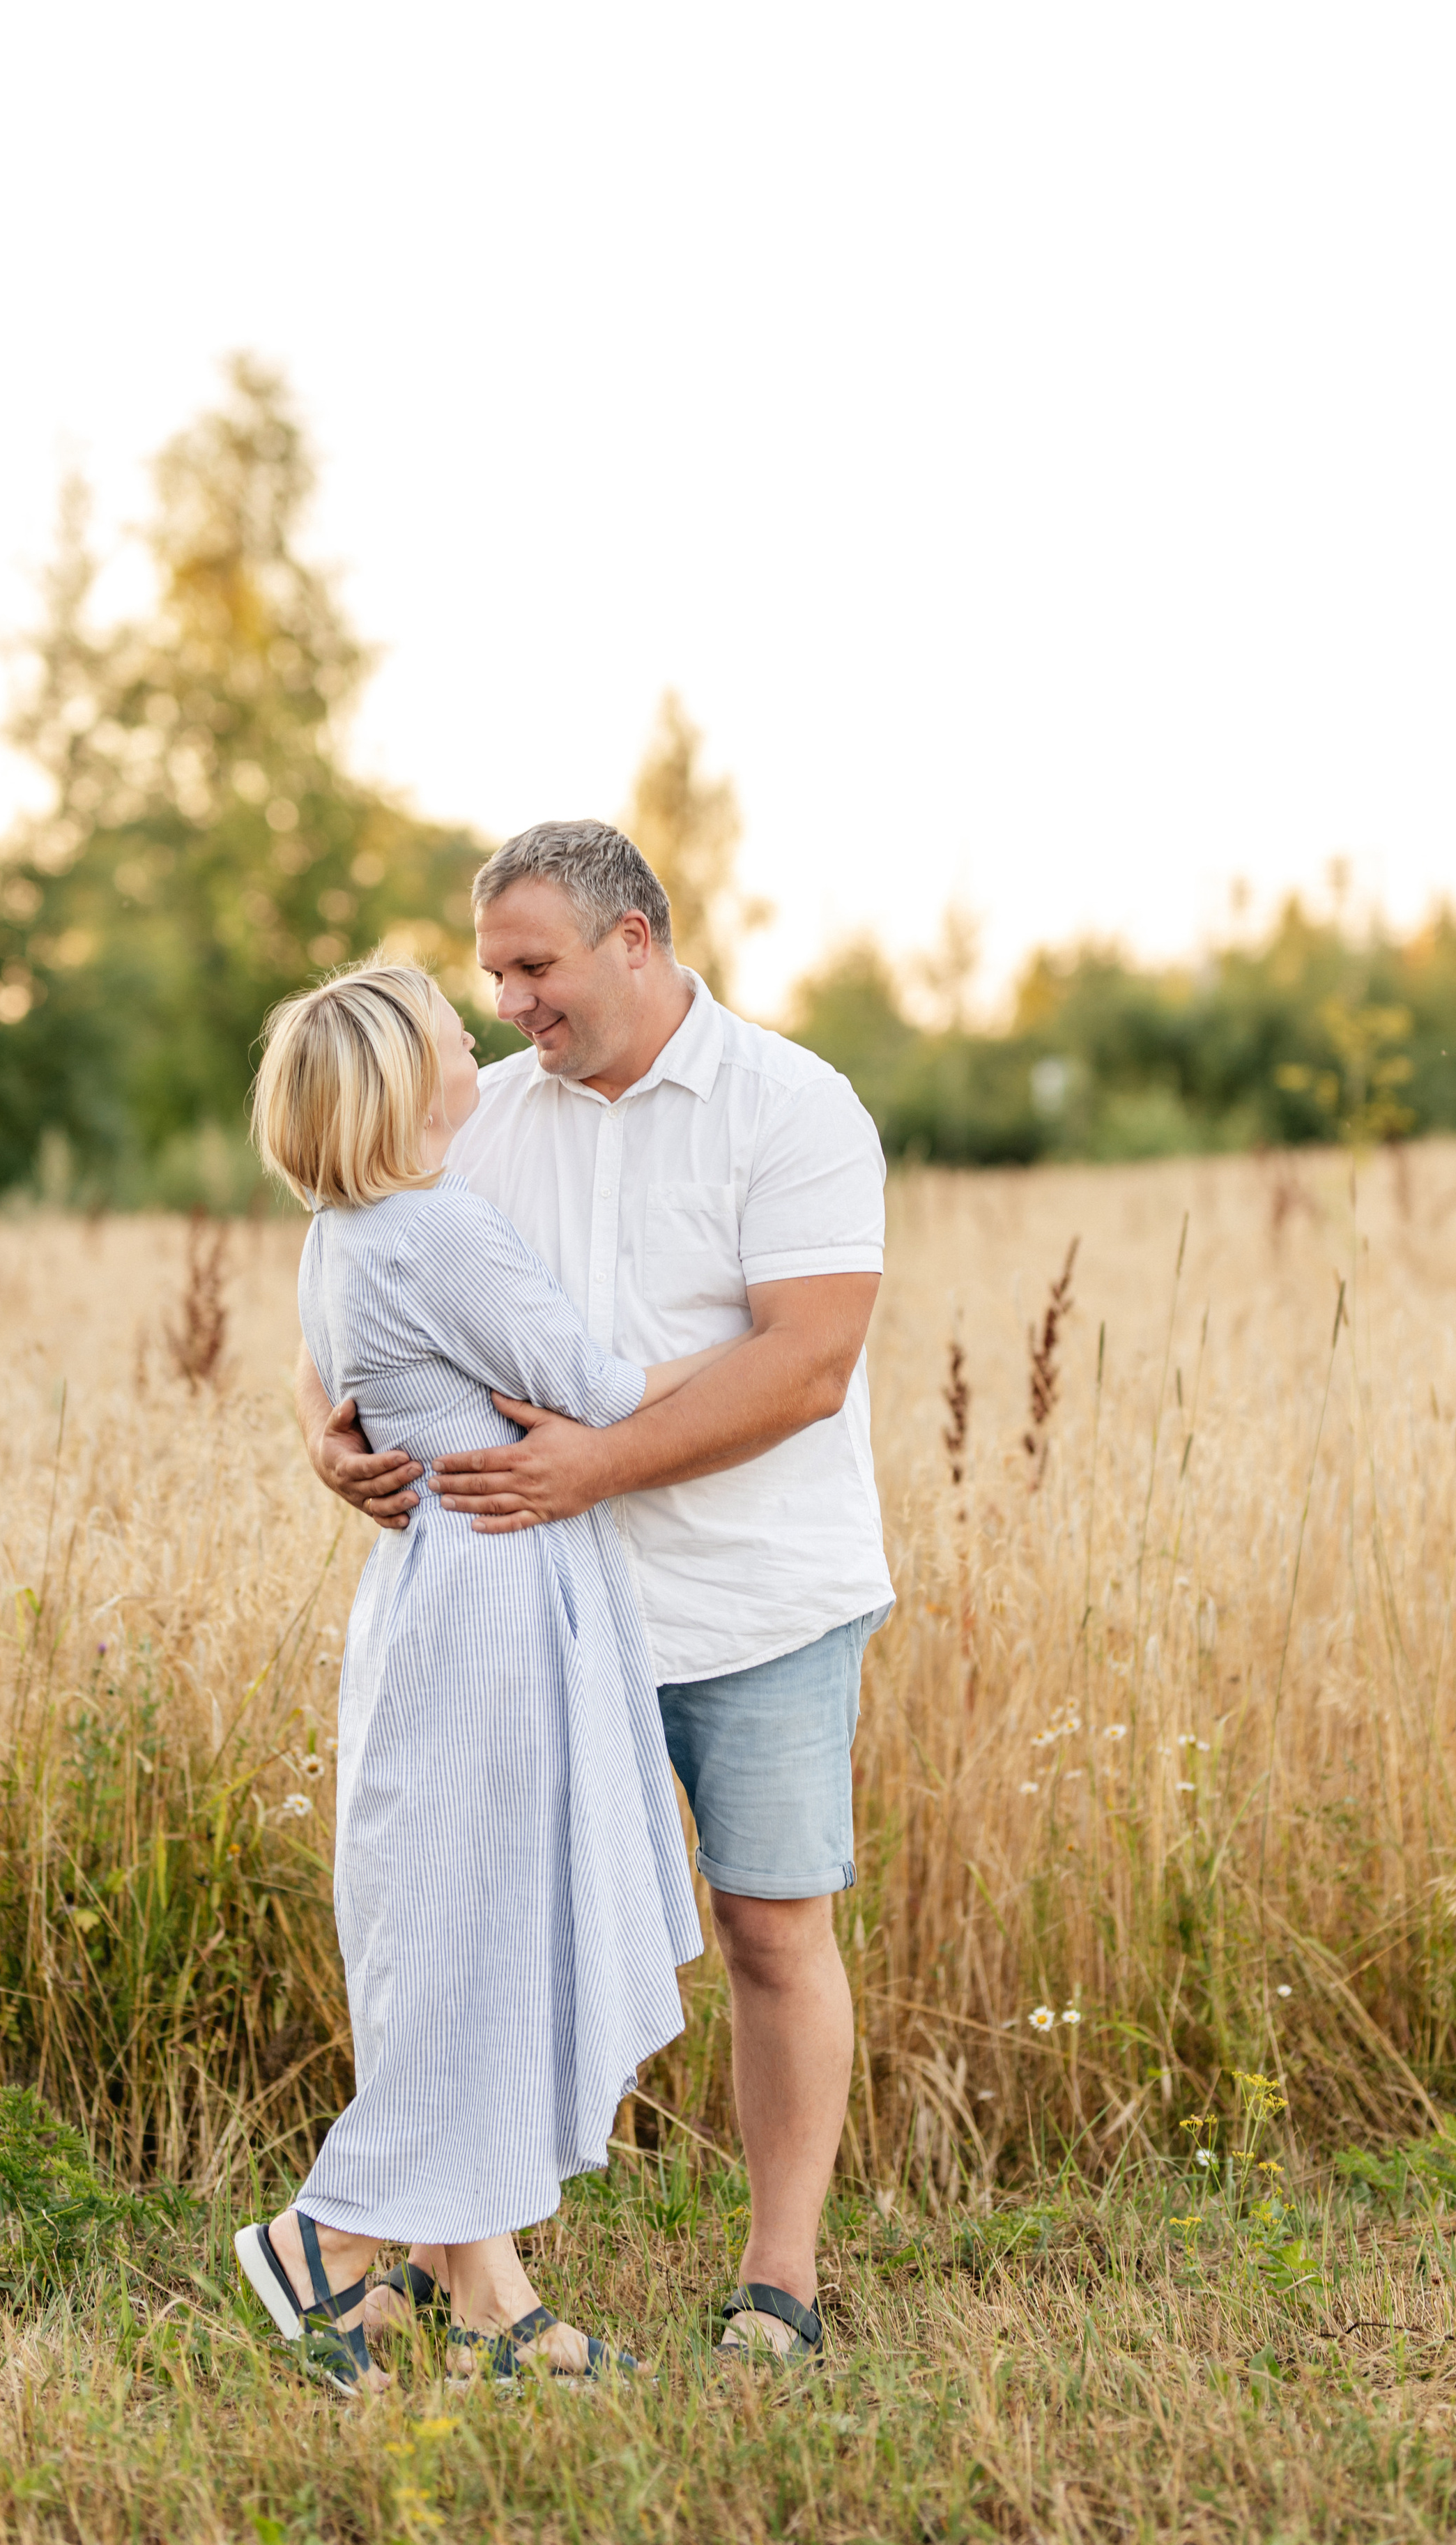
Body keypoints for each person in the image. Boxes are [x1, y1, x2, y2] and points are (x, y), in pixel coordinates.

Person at [298, 822, 893, 2367]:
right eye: (491, 969)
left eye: (531, 965)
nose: (506, 1000)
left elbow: (809, 1362)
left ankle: (776, 2285)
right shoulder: (477, 1119)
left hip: (755, 1600)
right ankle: (462, 2268)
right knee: (487, 1929)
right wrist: (326, 1435)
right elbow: (351, 1266)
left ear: (635, 938)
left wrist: (592, 1466)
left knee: (770, 1930)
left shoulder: (793, 1107)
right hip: (534, 1623)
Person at [235, 961, 722, 2394]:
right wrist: (763, 1361)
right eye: (453, 1023)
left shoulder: (342, 1233)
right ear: (407, 1076)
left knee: (458, 1933)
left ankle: (491, 2303)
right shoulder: (439, 1229)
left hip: (436, 1592)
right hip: (500, 1597)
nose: (477, 1028)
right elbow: (595, 1387)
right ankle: (322, 2239)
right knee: (488, 1931)